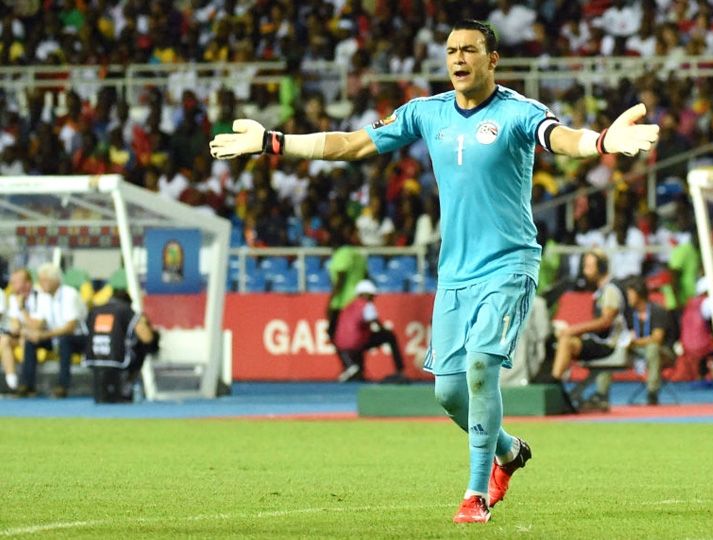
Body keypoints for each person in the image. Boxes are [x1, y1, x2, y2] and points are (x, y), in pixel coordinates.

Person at [210, 19, 659, 523]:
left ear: (493, 60)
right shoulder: (427, 113)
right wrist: (274, 142)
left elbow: (562, 138)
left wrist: (603, 142)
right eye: (451, 51)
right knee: (448, 393)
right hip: (455, 273)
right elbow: (352, 144)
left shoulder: (518, 112)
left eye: (470, 50)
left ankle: (475, 494)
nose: (459, 59)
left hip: (509, 264)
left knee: (482, 367)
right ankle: (509, 452)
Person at [550, 250, 630, 411]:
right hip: (599, 341)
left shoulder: (611, 290)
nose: (585, 270)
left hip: (608, 345)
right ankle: (554, 383)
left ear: (600, 268)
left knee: (566, 340)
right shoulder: (603, 290)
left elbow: (605, 321)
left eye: (588, 266)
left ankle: (555, 384)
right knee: (557, 338)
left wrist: (573, 330)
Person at [17, 263, 88, 398]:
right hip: (55, 337)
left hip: (79, 338)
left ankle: (62, 386)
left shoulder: (70, 294)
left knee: (64, 341)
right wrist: (22, 310)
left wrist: (43, 335)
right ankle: (27, 385)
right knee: (31, 341)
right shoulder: (43, 297)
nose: (40, 283)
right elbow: (37, 325)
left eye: (44, 280)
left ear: (55, 280)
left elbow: (70, 328)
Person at [83, 287, 157, 403]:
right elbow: (147, 338)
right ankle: (127, 386)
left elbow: (86, 333)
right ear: (128, 302)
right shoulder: (126, 310)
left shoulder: (94, 311)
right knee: (143, 348)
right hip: (118, 359)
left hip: (94, 358)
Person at [332, 279, 407, 383]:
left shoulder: (348, 305)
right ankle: (400, 370)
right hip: (356, 343)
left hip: (342, 345)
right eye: (371, 295)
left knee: (364, 336)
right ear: (364, 294)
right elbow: (374, 322)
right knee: (389, 336)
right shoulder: (366, 305)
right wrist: (384, 330)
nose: (373, 298)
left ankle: (355, 370)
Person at [624, 277, 677, 406]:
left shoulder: (657, 311)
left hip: (664, 352)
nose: (628, 298)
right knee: (611, 348)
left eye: (630, 294)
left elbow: (657, 339)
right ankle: (601, 394)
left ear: (639, 294)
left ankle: (652, 392)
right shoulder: (630, 314)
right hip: (638, 351)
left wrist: (634, 343)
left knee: (652, 348)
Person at [0, 269, 36, 391]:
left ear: (28, 283)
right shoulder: (13, 298)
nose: (12, 285)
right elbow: (15, 324)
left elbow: (34, 325)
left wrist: (21, 308)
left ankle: (26, 382)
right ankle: (12, 383)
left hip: (41, 336)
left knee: (26, 338)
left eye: (16, 282)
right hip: (21, 333)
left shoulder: (39, 296)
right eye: (12, 282)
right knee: (4, 340)